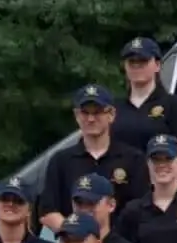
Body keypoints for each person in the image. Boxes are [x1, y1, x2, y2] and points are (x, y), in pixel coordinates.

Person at [39, 86, 145, 228]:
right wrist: (75, 233)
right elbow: (47, 211)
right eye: (84, 113)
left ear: (111, 114)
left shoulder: (134, 159)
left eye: (97, 112)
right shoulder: (61, 161)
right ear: (76, 115)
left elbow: (142, 208)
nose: (90, 119)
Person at [111, 38, 177, 153]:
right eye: (132, 62)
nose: (137, 66)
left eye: (143, 61)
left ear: (157, 65)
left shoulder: (174, 104)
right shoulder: (115, 107)